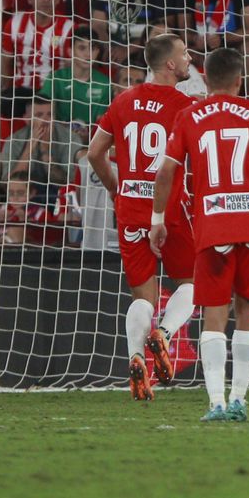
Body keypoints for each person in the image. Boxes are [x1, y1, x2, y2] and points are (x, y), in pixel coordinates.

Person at [150, 46, 249, 421]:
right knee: (248, 308)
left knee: (214, 315)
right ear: (240, 79)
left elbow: (165, 173)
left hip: (214, 223)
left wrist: (158, 218)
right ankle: (239, 399)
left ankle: (216, 403)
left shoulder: (189, 116)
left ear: (206, 77)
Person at [82, 33, 198, 401]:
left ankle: (136, 359)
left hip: (131, 207)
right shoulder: (186, 106)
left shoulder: (124, 100)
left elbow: (95, 153)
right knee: (192, 285)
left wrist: (117, 189)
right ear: (169, 64)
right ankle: (162, 334)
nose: (189, 58)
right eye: (183, 53)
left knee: (143, 296)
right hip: (171, 209)